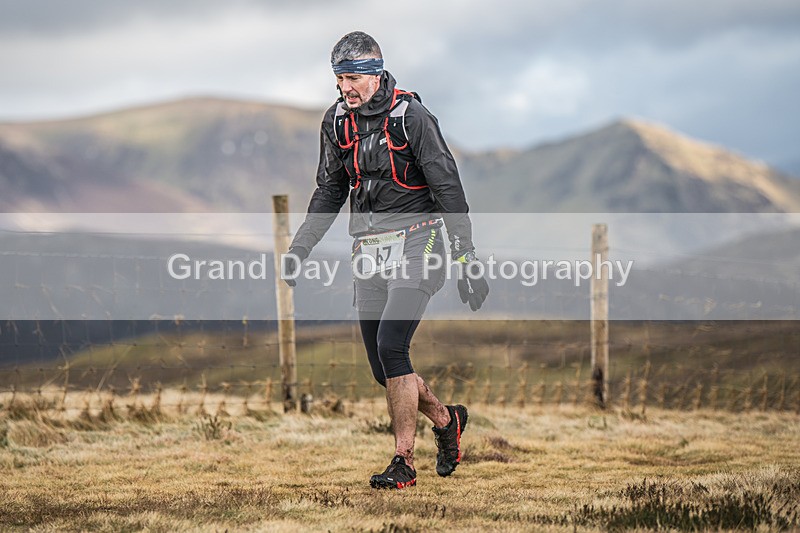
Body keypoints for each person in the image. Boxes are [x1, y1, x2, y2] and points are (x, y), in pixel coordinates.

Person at [283, 31, 489, 489]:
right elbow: (330, 190)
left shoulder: (412, 117)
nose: (344, 88)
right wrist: (301, 247)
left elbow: (448, 188)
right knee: (383, 367)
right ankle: (445, 418)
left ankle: (403, 462)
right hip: (368, 251)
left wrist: (466, 255)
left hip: (421, 241)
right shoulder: (336, 122)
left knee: (393, 347)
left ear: (375, 74)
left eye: (352, 78)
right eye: (338, 78)